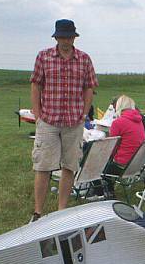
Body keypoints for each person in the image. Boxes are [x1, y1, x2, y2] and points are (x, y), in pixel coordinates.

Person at [30, 18, 97, 222]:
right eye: (61, 37)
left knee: (69, 166)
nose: (64, 40)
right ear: (56, 37)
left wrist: (85, 112)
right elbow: (36, 84)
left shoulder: (84, 59)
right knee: (43, 166)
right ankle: (38, 213)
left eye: (68, 37)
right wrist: (37, 112)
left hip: (74, 122)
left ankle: (61, 212)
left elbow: (89, 87)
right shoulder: (44, 57)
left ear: (74, 38)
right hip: (48, 120)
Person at [99, 95, 145, 199]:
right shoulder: (139, 121)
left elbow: (112, 147)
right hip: (136, 164)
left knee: (97, 164)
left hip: (122, 165)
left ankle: (105, 193)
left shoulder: (118, 123)